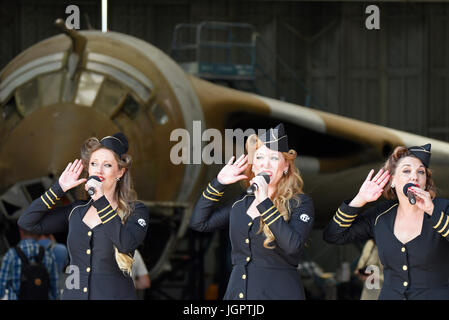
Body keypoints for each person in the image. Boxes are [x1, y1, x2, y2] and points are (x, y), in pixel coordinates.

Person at [190, 123, 315, 300]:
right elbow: (199, 223)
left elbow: (293, 246)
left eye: (274, 158)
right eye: (260, 157)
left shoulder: (299, 203)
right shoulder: (241, 203)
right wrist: (219, 183)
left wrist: (264, 201)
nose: (266, 164)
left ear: (285, 166)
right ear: (253, 166)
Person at [18, 132, 150, 300]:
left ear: (120, 172)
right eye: (94, 164)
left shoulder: (135, 210)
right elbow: (27, 222)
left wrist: (101, 200)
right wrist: (58, 188)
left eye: (107, 165)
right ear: (88, 169)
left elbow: (126, 243)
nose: (99, 170)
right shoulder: (76, 210)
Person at [323, 143, 449, 300]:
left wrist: (432, 211)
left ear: (426, 181)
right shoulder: (381, 215)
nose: (414, 176)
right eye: (406, 170)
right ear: (393, 181)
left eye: (421, 172)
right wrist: (359, 200)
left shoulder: (443, 208)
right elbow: (333, 235)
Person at [0, 228, 59, 300]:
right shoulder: (48, 254)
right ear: (38, 232)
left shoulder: (11, 255)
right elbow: (55, 289)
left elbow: (1, 286)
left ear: (21, 231)